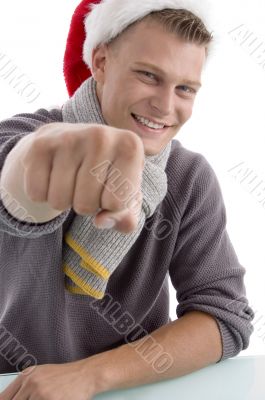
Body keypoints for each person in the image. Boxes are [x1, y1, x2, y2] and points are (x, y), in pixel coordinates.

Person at [0, 0, 254, 399]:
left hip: (131, 389)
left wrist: (90, 375)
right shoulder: (24, 137)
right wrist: (43, 154)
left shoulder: (188, 177)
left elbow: (223, 317)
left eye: (185, 88)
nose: (166, 106)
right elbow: (16, 188)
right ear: (100, 61)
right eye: (149, 76)